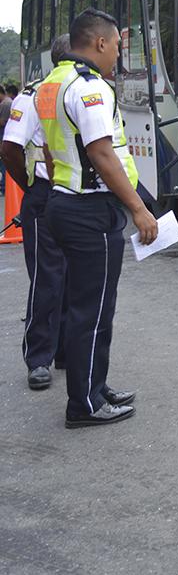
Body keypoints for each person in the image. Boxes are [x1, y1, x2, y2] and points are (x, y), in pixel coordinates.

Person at [36, 8, 159, 428]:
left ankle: (93, 385)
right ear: (101, 43)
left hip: (63, 202)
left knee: (84, 305)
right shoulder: (91, 88)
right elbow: (102, 153)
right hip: (90, 209)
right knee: (94, 310)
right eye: (118, 47)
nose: (118, 56)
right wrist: (139, 209)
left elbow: (54, 149)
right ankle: (84, 405)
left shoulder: (52, 83)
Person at [1, 35, 70, 390]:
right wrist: (28, 186)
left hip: (76, 196)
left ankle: (65, 351)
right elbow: (10, 148)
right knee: (47, 278)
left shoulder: (85, 93)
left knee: (75, 278)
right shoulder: (33, 98)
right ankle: (39, 357)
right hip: (44, 195)